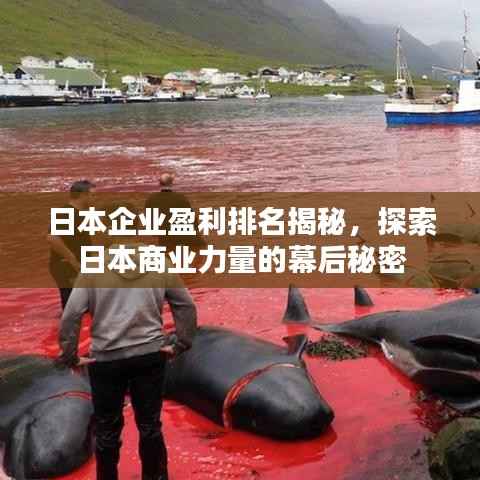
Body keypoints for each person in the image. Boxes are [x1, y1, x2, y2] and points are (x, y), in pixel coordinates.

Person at [57, 245, 197, 480]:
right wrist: (181, 343)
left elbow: (71, 315)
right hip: (149, 355)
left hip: (106, 359)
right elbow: (185, 305)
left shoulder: (94, 267)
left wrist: (70, 355)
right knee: (150, 426)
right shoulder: (158, 262)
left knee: (107, 431)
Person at [48, 180, 96, 310]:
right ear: (83, 195)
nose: (95, 198)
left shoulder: (81, 213)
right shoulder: (66, 212)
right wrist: (73, 261)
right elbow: (53, 238)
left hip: (77, 266)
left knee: (83, 305)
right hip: (67, 266)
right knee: (74, 307)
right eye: (92, 195)